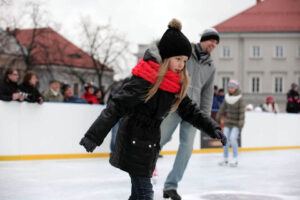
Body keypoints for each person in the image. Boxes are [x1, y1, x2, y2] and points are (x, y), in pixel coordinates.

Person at [79, 19, 226, 200]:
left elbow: (191, 111)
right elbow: (116, 106)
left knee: (138, 195)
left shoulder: (174, 86)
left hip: (148, 146)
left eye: (185, 61)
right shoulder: (145, 80)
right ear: (166, 58)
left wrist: (213, 128)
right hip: (133, 143)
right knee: (145, 194)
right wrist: (93, 136)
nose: (181, 64)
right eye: (178, 59)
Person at [158, 27, 220, 200]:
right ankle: (144, 172)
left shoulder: (211, 66)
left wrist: (205, 118)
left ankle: (171, 186)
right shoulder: (186, 53)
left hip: (194, 111)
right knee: (159, 139)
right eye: (212, 41)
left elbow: (208, 93)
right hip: (176, 103)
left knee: (187, 148)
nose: (213, 45)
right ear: (204, 39)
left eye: (216, 43)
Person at [216, 80, 245, 167]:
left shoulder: (240, 98)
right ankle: (225, 158)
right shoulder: (227, 97)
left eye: (232, 87)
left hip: (237, 123)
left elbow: (242, 112)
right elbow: (222, 108)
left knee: (233, 139)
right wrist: (218, 116)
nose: (230, 89)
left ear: (236, 88)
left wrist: (240, 123)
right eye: (229, 87)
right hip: (228, 122)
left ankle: (235, 158)